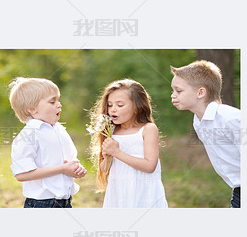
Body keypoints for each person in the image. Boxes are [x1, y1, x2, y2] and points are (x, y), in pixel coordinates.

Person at [170, 60, 240, 207]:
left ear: (201, 92)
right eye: (173, 90)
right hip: (237, 190)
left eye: (179, 91)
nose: (173, 95)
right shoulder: (198, 121)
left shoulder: (230, 118)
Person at [88, 78, 168, 208]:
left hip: (144, 192)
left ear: (137, 107)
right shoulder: (111, 130)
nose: (113, 109)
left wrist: (117, 152)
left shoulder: (147, 129)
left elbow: (149, 166)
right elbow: (105, 168)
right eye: (110, 105)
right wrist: (108, 154)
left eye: (120, 105)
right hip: (119, 192)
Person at [9, 77, 87, 208]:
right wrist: (62, 169)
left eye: (58, 100)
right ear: (32, 109)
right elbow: (21, 174)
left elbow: (66, 160)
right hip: (42, 203)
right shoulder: (29, 134)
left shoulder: (59, 129)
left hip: (65, 201)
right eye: (52, 101)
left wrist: (75, 169)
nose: (59, 104)